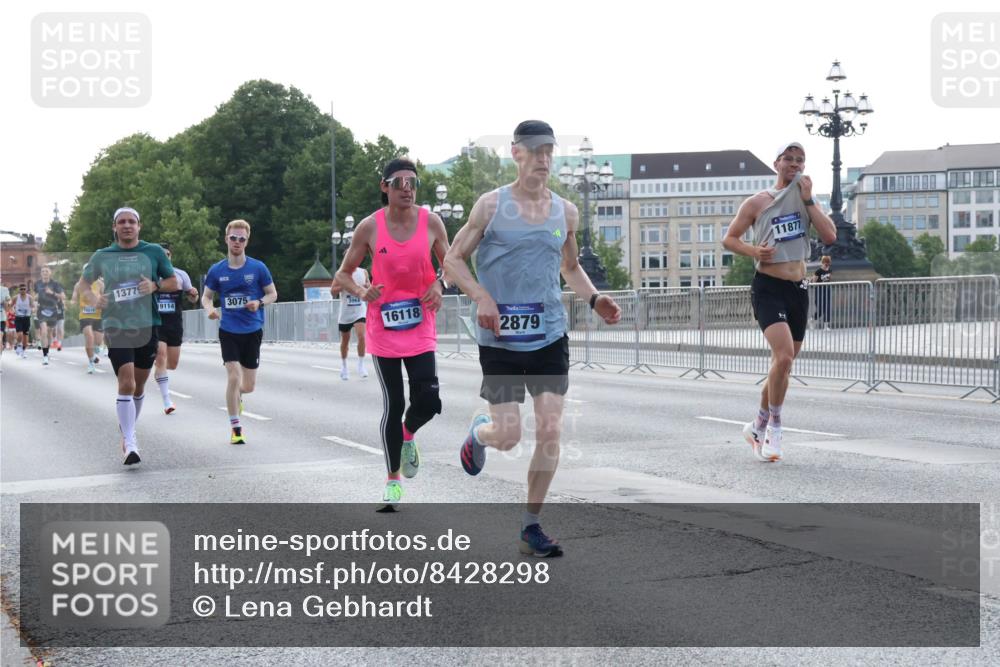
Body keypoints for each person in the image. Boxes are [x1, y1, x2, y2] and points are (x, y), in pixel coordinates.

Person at [444, 120, 622, 556]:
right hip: (500, 338)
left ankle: (531, 525)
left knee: (550, 428)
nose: (544, 159)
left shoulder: (565, 213)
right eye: (536, 150)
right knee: (507, 435)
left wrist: (594, 297)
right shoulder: (490, 206)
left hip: (548, 335)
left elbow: (570, 266)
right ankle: (480, 434)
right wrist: (482, 296)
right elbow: (452, 259)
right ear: (516, 153)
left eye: (549, 151)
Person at [336, 158, 449, 511]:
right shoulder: (370, 227)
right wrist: (361, 291)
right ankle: (393, 481)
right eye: (399, 182)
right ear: (384, 187)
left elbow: (452, 265)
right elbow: (342, 275)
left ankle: (407, 433)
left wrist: (440, 284)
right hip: (383, 328)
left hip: (420, 323)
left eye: (413, 182)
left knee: (429, 400)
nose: (407, 188)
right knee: (394, 403)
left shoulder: (431, 222)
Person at [722, 142, 837, 462]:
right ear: (777, 164)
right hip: (768, 287)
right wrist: (754, 251)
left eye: (800, 160)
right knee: (784, 356)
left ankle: (757, 426)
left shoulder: (806, 199)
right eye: (789, 159)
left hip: (798, 288)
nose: (795, 164)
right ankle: (774, 427)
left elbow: (830, 236)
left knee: (782, 365)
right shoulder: (758, 201)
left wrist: (809, 199)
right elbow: (729, 238)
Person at [78, 207, 178, 465]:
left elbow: (173, 282)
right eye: (121, 222)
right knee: (127, 381)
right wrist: (94, 299)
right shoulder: (103, 255)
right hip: (116, 325)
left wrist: (155, 285)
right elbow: (82, 285)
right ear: (114, 227)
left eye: (131, 221)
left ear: (139, 226)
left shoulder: (153, 252)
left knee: (139, 385)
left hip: (148, 325)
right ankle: (130, 441)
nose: (126, 225)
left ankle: (128, 428)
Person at [202, 220, 277, 445]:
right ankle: (236, 428)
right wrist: (210, 309)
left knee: (248, 386)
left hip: (252, 330)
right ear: (226, 239)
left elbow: (272, 294)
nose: (237, 242)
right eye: (233, 238)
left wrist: (259, 302)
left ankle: (239, 395)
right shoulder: (217, 270)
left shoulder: (258, 268)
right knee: (233, 376)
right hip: (228, 330)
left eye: (241, 239)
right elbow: (206, 296)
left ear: (247, 241)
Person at [153, 243, 200, 413]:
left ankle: (159, 371)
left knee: (172, 364)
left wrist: (194, 294)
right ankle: (167, 401)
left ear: (171, 256)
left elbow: (193, 298)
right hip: (156, 322)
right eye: (161, 255)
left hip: (174, 323)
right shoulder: (151, 275)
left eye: (167, 254)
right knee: (161, 356)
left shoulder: (181, 275)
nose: (164, 257)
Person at [330, 265, 369, 380]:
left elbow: (368, 285)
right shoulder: (340, 273)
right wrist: (344, 285)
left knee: (362, 336)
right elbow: (333, 291)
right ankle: (344, 366)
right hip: (345, 312)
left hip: (359, 310)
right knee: (345, 341)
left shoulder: (363, 272)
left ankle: (361, 365)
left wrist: (367, 286)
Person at [71, 273, 105, 373]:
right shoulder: (79, 284)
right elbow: (74, 297)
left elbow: (105, 296)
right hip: (84, 314)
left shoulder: (100, 284)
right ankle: (91, 363)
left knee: (98, 341)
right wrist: (73, 302)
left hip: (98, 315)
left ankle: (95, 350)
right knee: (89, 336)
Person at [33, 266, 65, 366]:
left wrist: (52, 293)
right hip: (42, 309)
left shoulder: (55, 284)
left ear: (50, 273)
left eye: (46, 271)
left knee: (50, 333)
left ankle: (48, 349)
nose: (44, 273)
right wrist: (35, 303)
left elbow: (63, 296)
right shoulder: (37, 284)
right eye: (43, 271)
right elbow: (35, 296)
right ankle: (45, 356)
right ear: (41, 273)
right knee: (43, 331)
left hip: (53, 310)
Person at [812, 254, 833, 329]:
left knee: (827, 308)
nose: (827, 265)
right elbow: (813, 282)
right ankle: (812, 320)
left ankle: (826, 325)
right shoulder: (818, 271)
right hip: (819, 291)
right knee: (820, 308)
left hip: (827, 290)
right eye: (825, 263)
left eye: (828, 263)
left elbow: (829, 279)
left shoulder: (830, 270)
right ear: (822, 263)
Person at [12, 284, 33, 358]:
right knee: (20, 334)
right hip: (18, 317)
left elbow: (33, 306)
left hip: (27, 318)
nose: (23, 290)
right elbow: (10, 305)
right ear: (19, 290)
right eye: (21, 289)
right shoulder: (15, 297)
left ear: (26, 290)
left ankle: (23, 351)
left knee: (25, 337)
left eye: (24, 289)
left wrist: (33, 310)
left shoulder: (29, 297)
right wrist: (13, 310)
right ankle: (18, 345)